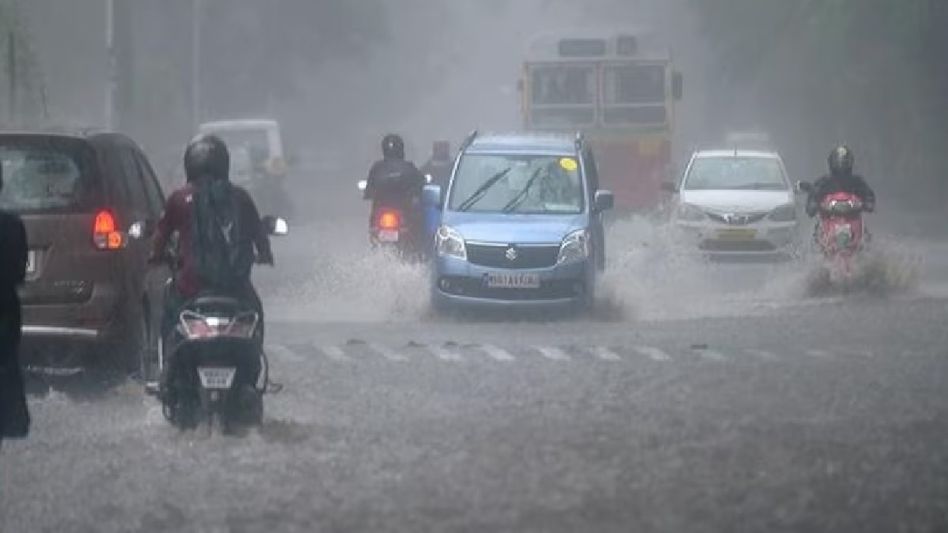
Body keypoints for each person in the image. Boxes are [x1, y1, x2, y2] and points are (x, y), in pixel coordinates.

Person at [150, 135, 274, 346]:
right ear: (224, 164)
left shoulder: (179, 199)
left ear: (190, 165)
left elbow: (160, 237)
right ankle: (255, 368)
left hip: (190, 288)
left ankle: (165, 365)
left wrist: (155, 257)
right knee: (255, 312)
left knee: (168, 315)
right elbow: (259, 235)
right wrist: (265, 256)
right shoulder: (240, 197)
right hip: (236, 287)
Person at [0, 165, 30, 444]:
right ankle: (10, 421)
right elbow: (20, 273)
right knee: (7, 364)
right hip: (6, 308)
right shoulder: (13, 226)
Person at [363, 134, 426, 242]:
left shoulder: (377, 167)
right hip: (397, 213)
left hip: (390, 212)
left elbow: (369, 190)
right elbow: (420, 183)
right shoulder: (409, 166)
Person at [806, 145, 876, 217]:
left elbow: (868, 194)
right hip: (828, 218)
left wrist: (868, 203)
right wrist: (813, 204)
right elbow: (814, 194)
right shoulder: (824, 181)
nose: (841, 164)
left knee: (864, 228)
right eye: (838, 161)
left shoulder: (856, 181)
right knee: (816, 226)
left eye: (844, 161)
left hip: (853, 218)